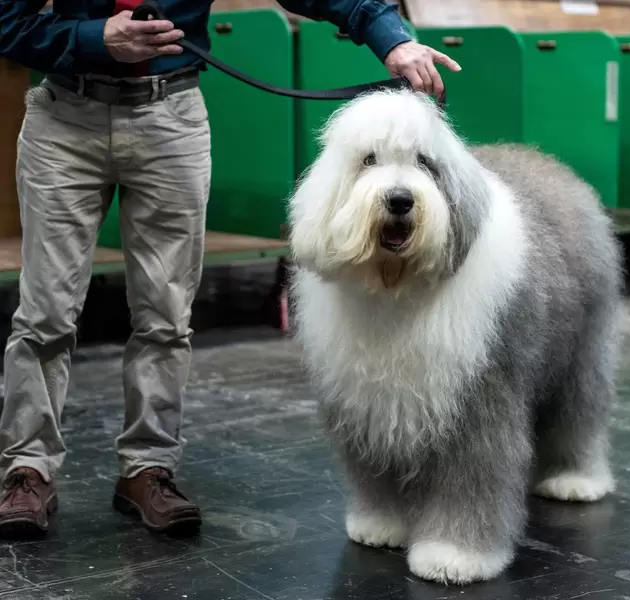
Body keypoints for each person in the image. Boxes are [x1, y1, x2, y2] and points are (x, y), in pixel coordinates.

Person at [0, 0, 461, 539]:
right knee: (45, 313)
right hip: (64, 118)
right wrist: (93, 39)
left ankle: (149, 469)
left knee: (166, 313)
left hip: (169, 119)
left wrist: (391, 37)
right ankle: (26, 471)